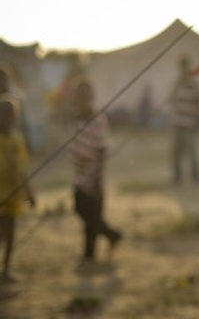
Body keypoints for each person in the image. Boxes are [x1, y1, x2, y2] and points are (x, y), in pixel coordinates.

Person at [0, 95, 36, 283]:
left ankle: (4, 269)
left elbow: (23, 168)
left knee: (9, 233)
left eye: (11, 114)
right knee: (4, 230)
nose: (7, 118)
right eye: (3, 114)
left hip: (14, 194)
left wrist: (29, 192)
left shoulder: (17, 138)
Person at [68, 78, 121, 264]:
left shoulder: (97, 119)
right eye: (79, 95)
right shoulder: (76, 118)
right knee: (83, 211)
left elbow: (102, 150)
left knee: (92, 214)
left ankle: (112, 235)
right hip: (79, 174)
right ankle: (89, 253)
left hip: (94, 175)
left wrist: (98, 180)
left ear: (91, 97)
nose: (82, 99)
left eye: (86, 95)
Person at [168, 55, 199, 186]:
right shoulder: (177, 84)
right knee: (176, 153)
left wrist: (197, 121)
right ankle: (177, 178)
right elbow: (172, 101)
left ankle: (196, 178)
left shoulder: (194, 84)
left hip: (189, 123)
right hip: (177, 123)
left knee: (192, 152)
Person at [0, 65, 31, 151]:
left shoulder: (17, 97)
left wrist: (26, 140)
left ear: (6, 79)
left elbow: (23, 121)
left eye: (2, 79)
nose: (0, 83)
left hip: (15, 138)